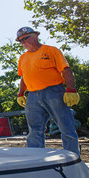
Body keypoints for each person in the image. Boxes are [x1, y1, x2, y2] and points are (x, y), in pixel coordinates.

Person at [15, 27, 80, 155]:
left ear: (35, 36)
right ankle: (36, 158)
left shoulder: (51, 51)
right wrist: (20, 93)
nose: (23, 43)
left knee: (66, 127)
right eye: (20, 41)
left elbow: (66, 70)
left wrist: (71, 89)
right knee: (34, 130)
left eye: (25, 38)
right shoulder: (23, 58)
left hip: (54, 92)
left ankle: (73, 158)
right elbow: (24, 77)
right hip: (33, 96)